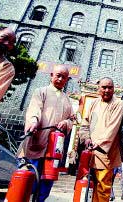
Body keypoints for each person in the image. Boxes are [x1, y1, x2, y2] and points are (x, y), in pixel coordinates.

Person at [17, 65, 73, 202]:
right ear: (51, 75)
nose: (60, 79)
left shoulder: (67, 100)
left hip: (54, 149)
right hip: (37, 143)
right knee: (28, 181)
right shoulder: (41, 91)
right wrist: (34, 121)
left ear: (67, 80)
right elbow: (34, 109)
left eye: (64, 77)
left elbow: (71, 119)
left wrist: (66, 122)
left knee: (46, 183)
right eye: (58, 75)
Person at [79, 77, 123, 202]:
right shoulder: (93, 103)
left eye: (110, 87)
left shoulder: (117, 104)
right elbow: (85, 122)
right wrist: (86, 138)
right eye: (104, 87)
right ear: (98, 89)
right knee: (86, 186)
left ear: (114, 89)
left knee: (102, 187)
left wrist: (98, 143)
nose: (107, 90)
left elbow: (112, 129)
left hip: (106, 153)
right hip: (90, 152)